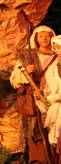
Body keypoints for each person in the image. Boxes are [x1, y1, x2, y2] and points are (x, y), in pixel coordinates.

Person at [10, 25, 56, 163]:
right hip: (36, 101)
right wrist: (25, 72)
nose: (44, 39)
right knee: (37, 134)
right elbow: (14, 79)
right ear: (35, 38)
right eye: (41, 36)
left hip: (54, 99)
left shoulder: (58, 55)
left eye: (47, 36)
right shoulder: (27, 56)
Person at [43, 35, 61, 163]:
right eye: (56, 48)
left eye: (59, 48)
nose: (57, 51)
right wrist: (50, 97)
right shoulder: (54, 69)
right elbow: (50, 89)